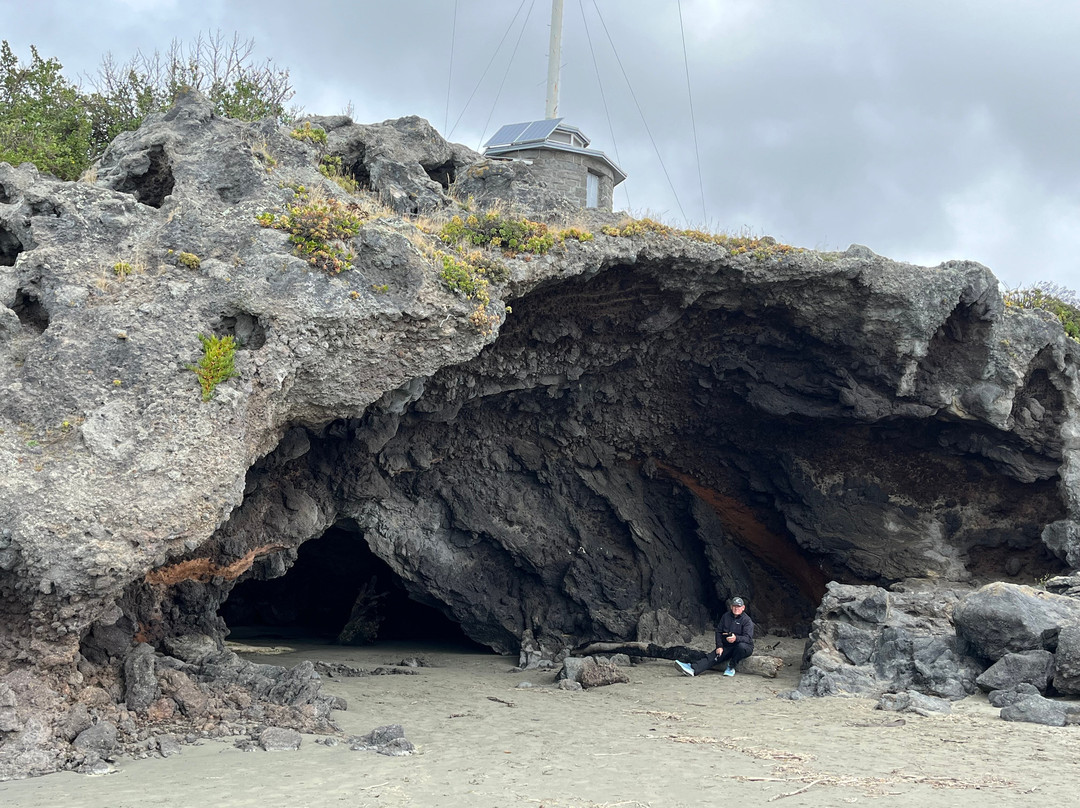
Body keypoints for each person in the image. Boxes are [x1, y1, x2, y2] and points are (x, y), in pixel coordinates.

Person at [675, 597, 754, 677]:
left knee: (741, 647)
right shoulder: (726, 616)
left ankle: (731, 666)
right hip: (728, 645)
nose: (736, 608)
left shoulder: (747, 620)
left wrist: (736, 638)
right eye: (734, 606)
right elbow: (718, 632)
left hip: (744, 646)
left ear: (743, 608)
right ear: (731, 607)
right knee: (712, 657)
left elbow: (748, 638)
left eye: (738, 606)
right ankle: (692, 668)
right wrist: (719, 646)